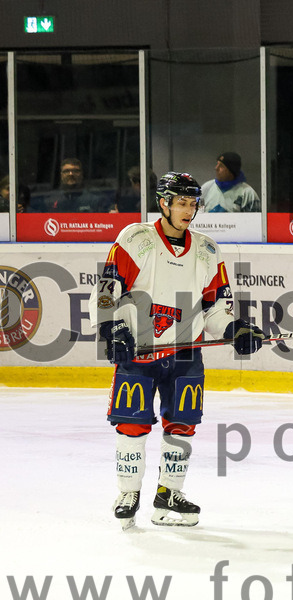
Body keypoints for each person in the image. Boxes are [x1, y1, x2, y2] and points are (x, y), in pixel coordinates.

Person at [88, 172, 267, 530]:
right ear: (164, 203)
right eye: (181, 203)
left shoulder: (207, 249)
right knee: (131, 424)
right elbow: (108, 287)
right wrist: (112, 329)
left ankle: (169, 493)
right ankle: (129, 492)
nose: (188, 210)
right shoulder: (136, 238)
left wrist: (235, 328)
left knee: (182, 424)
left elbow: (217, 304)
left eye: (192, 203)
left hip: (186, 351)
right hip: (139, 349)